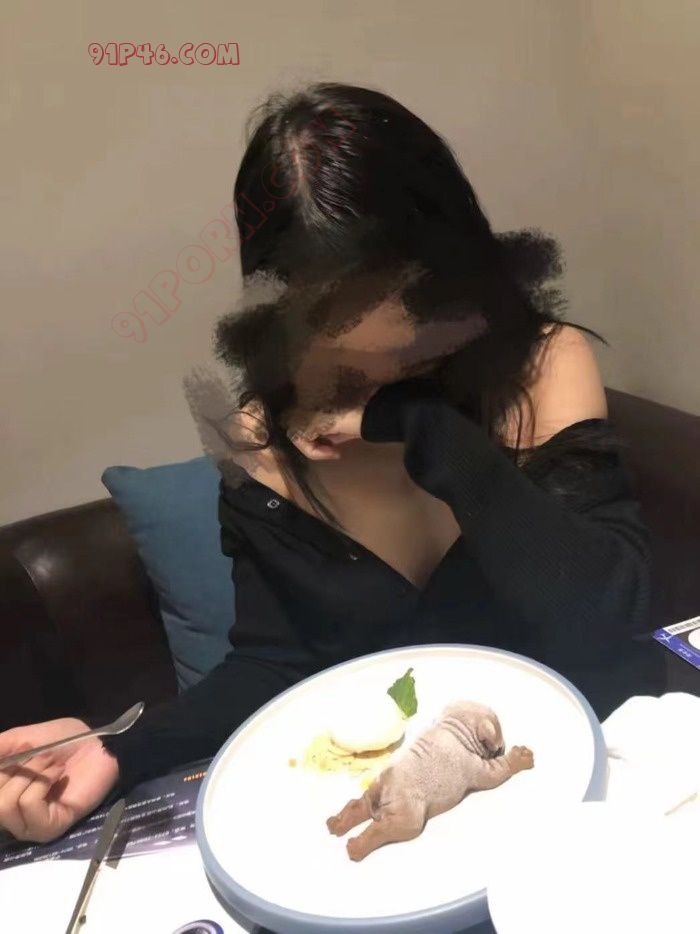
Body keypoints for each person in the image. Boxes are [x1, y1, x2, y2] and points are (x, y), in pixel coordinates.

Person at [0, 82, 664, 844]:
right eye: (344, 367)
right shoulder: (262, 440)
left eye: (421, 358)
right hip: (429, 830)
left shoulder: (540, 365)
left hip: (603, 792)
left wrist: (430, 433)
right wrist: (119, 751)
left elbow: (605, 615)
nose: (381, 387)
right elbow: (276, 664)